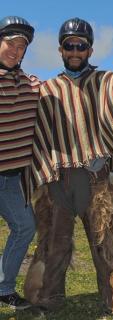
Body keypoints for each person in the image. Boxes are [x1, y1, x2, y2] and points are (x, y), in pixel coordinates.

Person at [24, 17, 113, 320]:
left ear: (90, 49)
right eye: (69, 45)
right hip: (57, 182)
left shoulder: (105, 81)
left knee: (109, 248)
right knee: (52, 246)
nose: (75, 50)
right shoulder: (47, 90)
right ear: (60, 49)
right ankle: (46, 300)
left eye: (80, 45)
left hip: (96, 182)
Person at [0, 16, 39, 310]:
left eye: (21, 46)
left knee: (25, 226)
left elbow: (69, 92)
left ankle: (3, 289)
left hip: (11, 179)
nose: (15, 50)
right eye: (10, 43)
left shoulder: (31, 85)